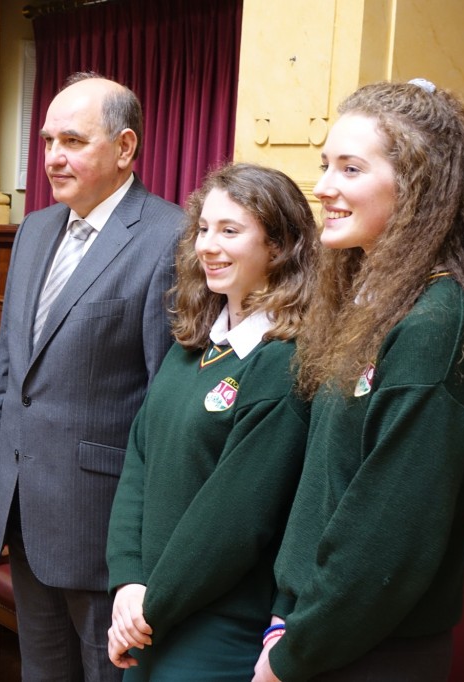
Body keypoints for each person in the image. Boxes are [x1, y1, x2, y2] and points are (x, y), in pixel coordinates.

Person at [253, 80, 464, 682]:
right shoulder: (377, 303)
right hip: (319, 631)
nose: (323, 187)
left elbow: (386, 542)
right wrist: (288, 623)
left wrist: (291, 657)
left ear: (418, 185)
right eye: (324, 164)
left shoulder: (435, 324)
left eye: (350, 168)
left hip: (369, 653)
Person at [0, 72, 184, 682]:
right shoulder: (36, 228)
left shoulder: (170, 238)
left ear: (125, 148)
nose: (52, 157)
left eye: (72, 140)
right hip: (22, 510)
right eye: (46, 141)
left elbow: (164, 405)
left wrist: (142, 540)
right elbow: (9, 373)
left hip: (103, 527)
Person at [104, 163, 316, 680]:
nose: (208, 246)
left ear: (278, 246)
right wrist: (128, 581)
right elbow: (139, 462)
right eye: (203, 229)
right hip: (148, 614)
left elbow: (233, 524)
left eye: (230, 231)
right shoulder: (194, 345)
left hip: (214, 628)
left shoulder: (282, 362)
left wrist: (150, 608)